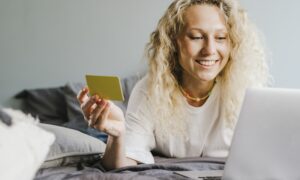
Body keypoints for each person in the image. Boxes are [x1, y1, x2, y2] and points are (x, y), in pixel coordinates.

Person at [77, 0, 270, 170]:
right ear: (173, 42)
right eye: (196, 37)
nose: (210, 50)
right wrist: (118, 135)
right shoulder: (149, 90)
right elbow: (122, 164)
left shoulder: (248, 91)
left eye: (221, 38)